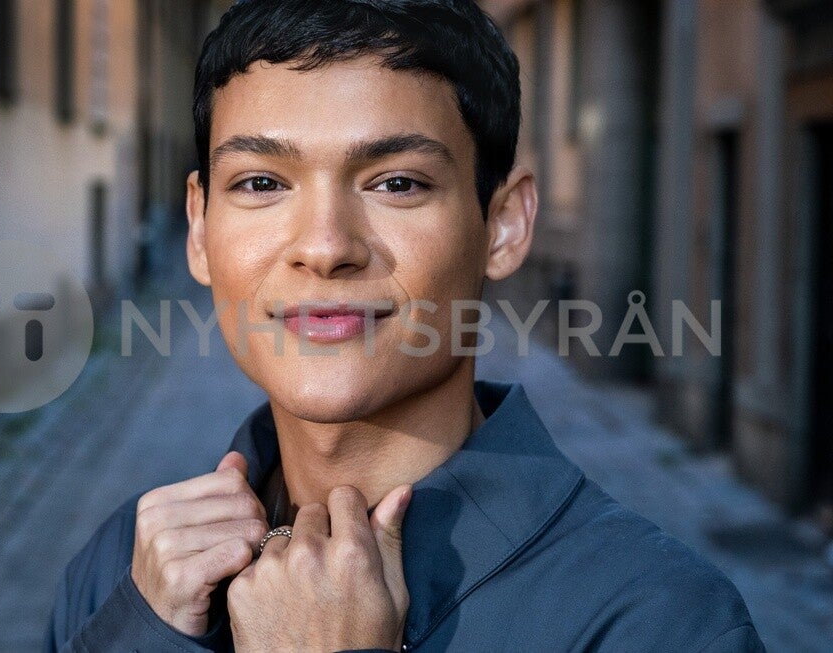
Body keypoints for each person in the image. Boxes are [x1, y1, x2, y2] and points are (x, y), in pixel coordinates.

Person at [45, 0, 764, 650]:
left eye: (397, 183)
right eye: (261, 183)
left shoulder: (660, 625)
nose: (325, 246)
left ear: (504, 226)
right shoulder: (125, 575)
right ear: (200, 229)